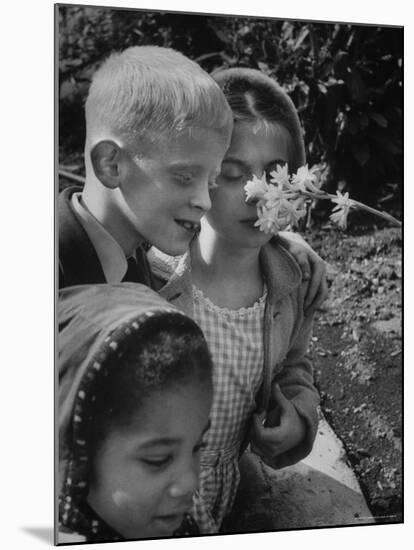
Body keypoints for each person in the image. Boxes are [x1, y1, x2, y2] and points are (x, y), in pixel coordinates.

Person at [149, 67, 324, 533]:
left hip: (229, 495)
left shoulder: (292, 284)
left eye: (274, 176)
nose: (257, 195)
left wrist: (300, 420)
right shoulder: (150, 275)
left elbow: (294, 367)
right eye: (233, 174)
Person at [58, 45, 326, 302]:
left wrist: (282, 243)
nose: (205, 202)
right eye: (185, 177)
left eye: (211, 180)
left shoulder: (137, 258)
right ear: (111, 165)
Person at [58, 283, 214, 543]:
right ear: (79, 454)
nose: (190, 483)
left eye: (198, 447)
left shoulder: (184, 522)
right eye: (158, 459)